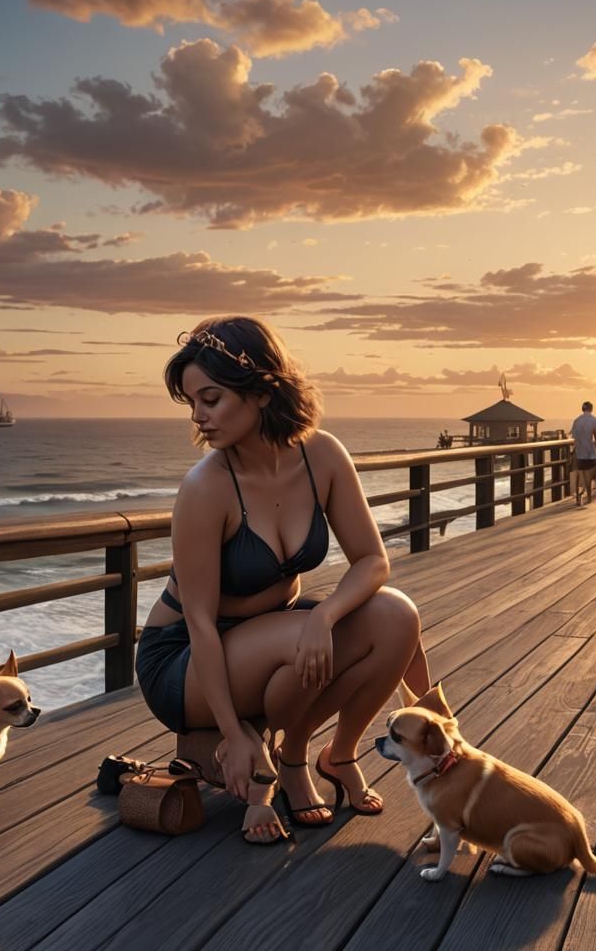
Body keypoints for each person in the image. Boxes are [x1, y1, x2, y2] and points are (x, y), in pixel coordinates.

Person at [136, 316, 431, 844]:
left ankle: (335, 756)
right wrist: (231, 732)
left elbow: (372, 561)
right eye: (192, 403)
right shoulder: (207, 487)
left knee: (396, 616)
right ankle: (282, 761)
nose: (200, 418)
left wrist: (324, 614)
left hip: (279, 631)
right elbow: (201, 621)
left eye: (212, 398)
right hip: (184, 659)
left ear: (262, 391)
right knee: (305, 644)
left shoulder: (322, 456)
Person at [570, 400, 596, 507]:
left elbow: (574, 437)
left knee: (579, 475)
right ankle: (588, 497)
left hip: (579, 452)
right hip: (590, 452)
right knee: (589, 477)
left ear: (582, 409)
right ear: (591, 409)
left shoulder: (576, 421)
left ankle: (578, 497)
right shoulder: (595, 421)